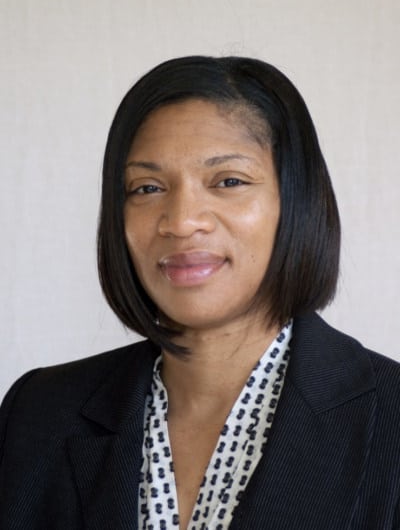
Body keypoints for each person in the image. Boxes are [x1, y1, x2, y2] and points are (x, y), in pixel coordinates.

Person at [0, 56, 399, 530]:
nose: (181, 221)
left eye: (228, 181)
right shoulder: (38, 412)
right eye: (147, 188)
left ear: (297, 201)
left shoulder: (390, 419)